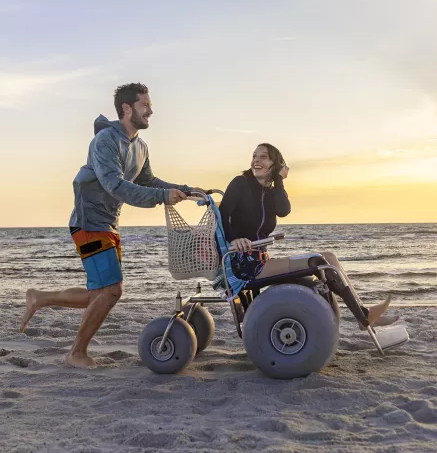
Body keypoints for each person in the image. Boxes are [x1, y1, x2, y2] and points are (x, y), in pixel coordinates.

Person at [20, 83, 201, 368]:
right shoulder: (105, 140)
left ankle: (39, 297)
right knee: (113, 290)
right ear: (127, 109)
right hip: (89, 221)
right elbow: (114, 185)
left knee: (99, 293)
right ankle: (76, 353)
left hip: (109, 223)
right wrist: (163, 198)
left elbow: (147, 182)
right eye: (145, 105)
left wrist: (186, 190)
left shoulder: (140, 145)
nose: (150, 110)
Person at [219, 143, 397, 328]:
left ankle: (363, 314)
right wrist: (234, 239)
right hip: (243, 263)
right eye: (254, 156)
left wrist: (279, 180)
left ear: (276, 164)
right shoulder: (240, 183)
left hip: (260, 259)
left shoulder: (272, 193)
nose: (256, 160)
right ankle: (364, 317)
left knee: (329, 257)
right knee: (317, 261)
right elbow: (221, 216)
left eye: (263, 157)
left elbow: (283, 210)